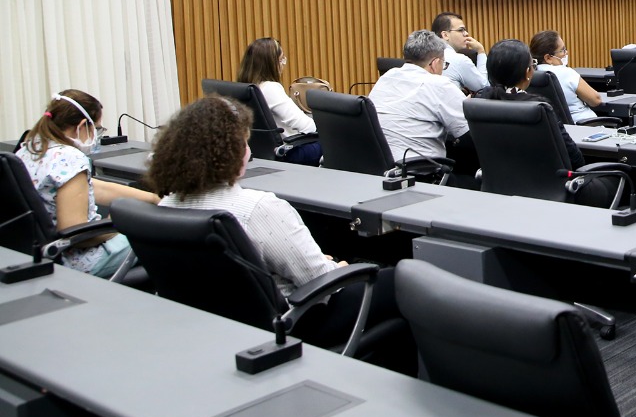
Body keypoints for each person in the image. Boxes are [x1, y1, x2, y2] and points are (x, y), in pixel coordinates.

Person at [149, 96, 411, 371]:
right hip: (294, 323)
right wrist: (340, 268)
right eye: (244, 143)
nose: (249, 151)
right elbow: (322, 282)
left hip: (217, 329)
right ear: (230, 152)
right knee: (402, 278)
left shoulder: (167, 206)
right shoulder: (258, 209)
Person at [15, 90, 158, 277]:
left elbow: (93, 188)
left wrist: (154, 199)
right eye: (96, 128)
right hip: (78, 260)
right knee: (159, 233)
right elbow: (74, 233)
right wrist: (121, 223)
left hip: (39, 252)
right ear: (83, 125)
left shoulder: (32, 148)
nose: (97, 135)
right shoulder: (70, 158)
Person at [474, 40, 614, 208]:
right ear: (528, 73)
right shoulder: (539, 108)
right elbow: (575, 158)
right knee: (623, 179)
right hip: (558, 193)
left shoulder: (479, 103)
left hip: (500, 190)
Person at [368, 29, 470, 163]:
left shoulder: (387, 77)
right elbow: (471, 135)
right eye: (444, 64)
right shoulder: (439, 84)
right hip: (421, 174)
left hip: (379, 170)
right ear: (434, 63)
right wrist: (467, 107)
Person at [236, 37, 322, 165]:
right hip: (292, 152)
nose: (283, 64)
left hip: (262, 153)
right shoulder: (270, 88)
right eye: (281, 59)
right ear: (270, 64)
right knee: (344, 141)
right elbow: (308, 127)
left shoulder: (245, 87)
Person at [531, 29, 603, 124]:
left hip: (554, 129)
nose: (566, 53)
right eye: (562, 50)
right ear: (548, 58)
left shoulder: (530, 74)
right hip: (585, 127)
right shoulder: (565, 72)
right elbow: (596, 100)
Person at [433, 11, 488, 93]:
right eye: (461, 30)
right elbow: (484, 88)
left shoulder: (425, 56)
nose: (466, 34)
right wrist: (481, 51)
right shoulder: (459, 60)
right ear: (445, 35)